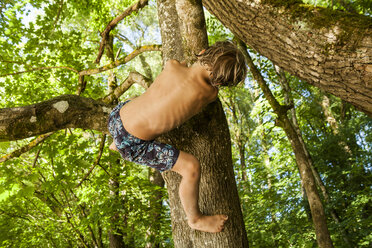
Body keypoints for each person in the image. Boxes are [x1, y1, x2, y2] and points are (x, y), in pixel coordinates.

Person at [108, 41, 246, 233]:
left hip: (117, 115)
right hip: (133, 144)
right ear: (221, 83)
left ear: (202, 52)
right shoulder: (209, 93)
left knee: (148, 99)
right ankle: (195, 219)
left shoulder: (172, 65)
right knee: (191, 167)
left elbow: (178, 72)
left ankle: (116, 141)